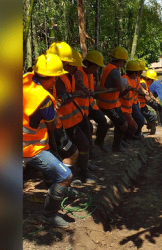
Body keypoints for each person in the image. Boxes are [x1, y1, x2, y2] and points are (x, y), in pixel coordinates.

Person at [23, 53, 73, 227]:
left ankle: (58, 190)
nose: (55, 82)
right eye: (55, 78)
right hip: (30, 148)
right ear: (49, 77)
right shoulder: (43, 99)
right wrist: (55, 110)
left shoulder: (25, 79)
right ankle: (49, 214)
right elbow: (52, 126)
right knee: (65, 176)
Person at [47, 43, 97, 183]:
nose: (77, 68)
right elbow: (60, 99)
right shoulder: (56, 79)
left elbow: (75, 87)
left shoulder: (70, 75)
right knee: (69, 151)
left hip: (72, 119)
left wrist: (83, 91)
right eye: (74, 65)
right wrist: (76, 94)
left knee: (83, 144)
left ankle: (82, 170)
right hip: (59, 122)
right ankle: (66, 178)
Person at [98, 47, 131, 152]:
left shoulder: (108, 67)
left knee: (117, 123)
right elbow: (121, 90)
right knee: (123, 124)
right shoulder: (115, 71)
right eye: (124, 61)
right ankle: (116, 146)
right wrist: (128, 89)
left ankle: (117, 142)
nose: (124, 63)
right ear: (121, 60)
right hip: (109, 105)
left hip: (111, 103)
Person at [80, 51, 111, 153]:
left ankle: (99, 142)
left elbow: (92, 88)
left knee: (103, 122)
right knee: (87, 128)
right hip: (80, 107)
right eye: (96, 67)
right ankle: (89, 151)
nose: (96, 70)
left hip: (90, 105)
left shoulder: (89, 73)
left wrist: (106, 90)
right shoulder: (78, 73)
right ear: (88, 64)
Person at [119, 60, 143, 140]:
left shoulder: (130, 79)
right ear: (133, 73)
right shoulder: (124, 80)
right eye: (137, 73)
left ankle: (126, 139)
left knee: (131, 125)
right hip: (123, 108)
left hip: (129, 108)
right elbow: (119, 94)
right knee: (133, 126)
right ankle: (125, 139)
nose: (138, 75)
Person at [138, 70, 158, 135]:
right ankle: (138, 133)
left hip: (142, 105)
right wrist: (153, 96)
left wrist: (155, 99)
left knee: (149, 117)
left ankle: (150, 129)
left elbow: (150, 94)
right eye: (153, 79)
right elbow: (147, 99)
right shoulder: (143, 84)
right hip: (139, 106)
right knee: (150, 117)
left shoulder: (147, 83)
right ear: (150, 79)